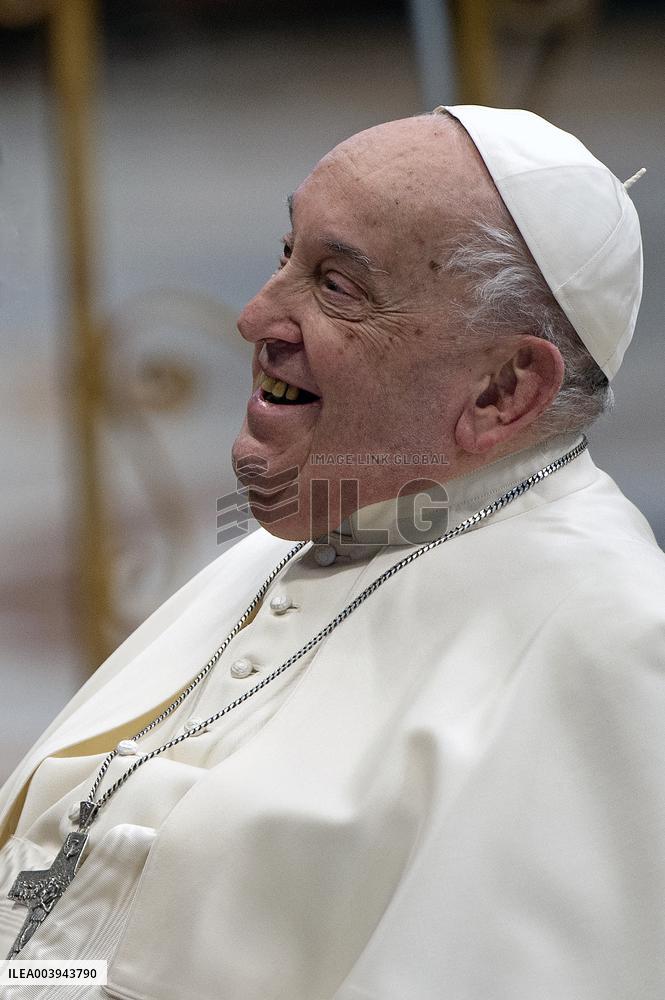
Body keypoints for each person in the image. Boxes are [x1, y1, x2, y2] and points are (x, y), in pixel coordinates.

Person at [1, 105, 664, 1000]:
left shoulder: (612, 644)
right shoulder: (329, 523)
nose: (255, 316)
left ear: (503, 390)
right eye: (285, 254)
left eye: (336, 285)